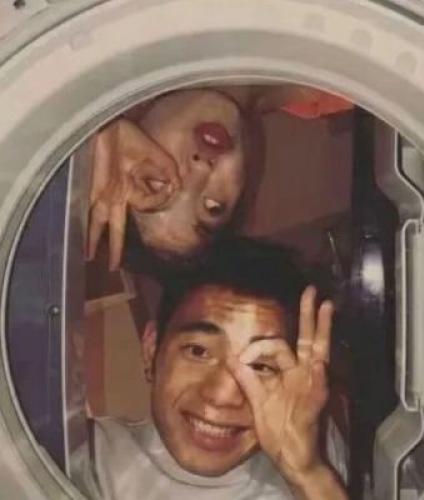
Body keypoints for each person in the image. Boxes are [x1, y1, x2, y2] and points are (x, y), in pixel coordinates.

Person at [74, 237, 348, 499]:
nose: (222, 396)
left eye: (260, 366)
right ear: (151, 349)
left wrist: (307, 475)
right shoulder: (88, 457)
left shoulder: (313, 448)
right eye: (198, 351)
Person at [86, 86, 353, 270]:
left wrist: (92, 118)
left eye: (154, 181)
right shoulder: (347, 84)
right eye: (213, 207)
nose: (202, 171)